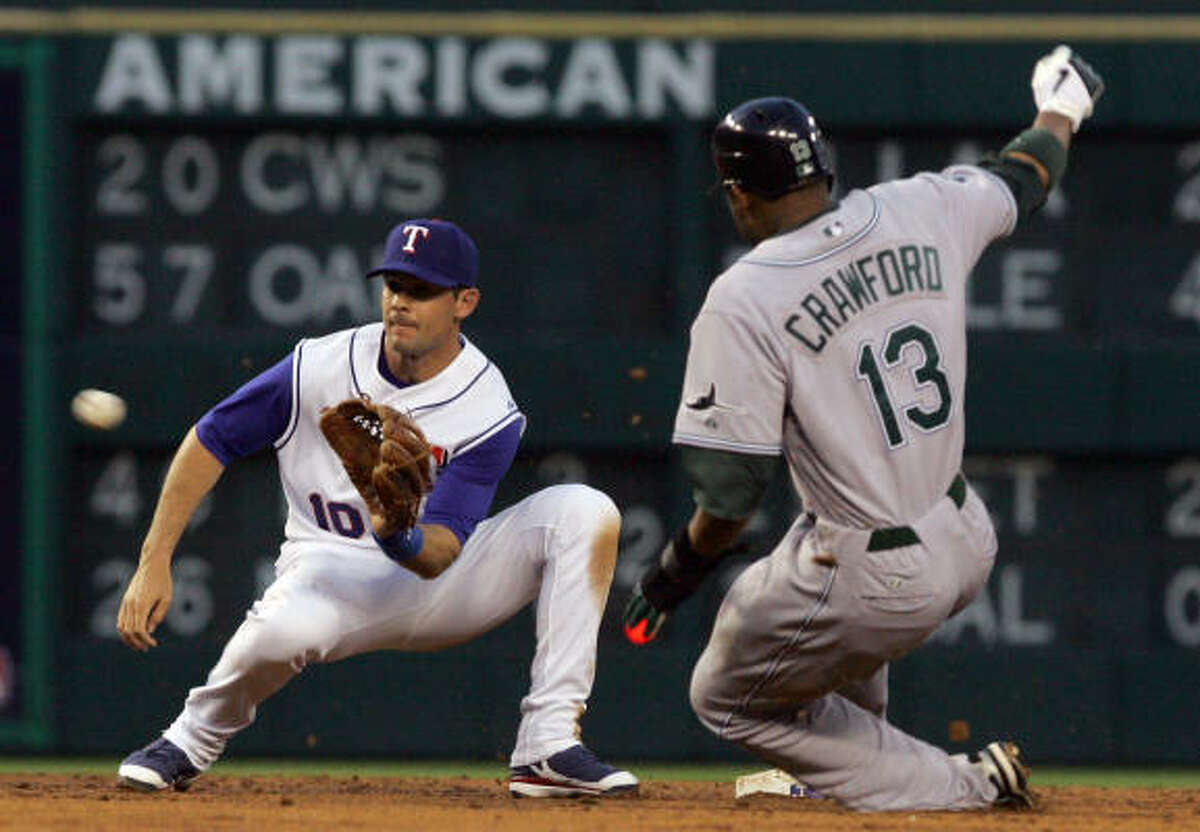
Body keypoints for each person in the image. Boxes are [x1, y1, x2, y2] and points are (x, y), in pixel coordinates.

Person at [621, 46, 1103, 811]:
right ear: (823, 170)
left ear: (741, 198)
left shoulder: (745, 296)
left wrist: (674, 573)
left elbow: (733, 495)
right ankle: (838, 779)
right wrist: (1062, 107)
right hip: (964, 532)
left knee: (724, 693)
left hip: (876, 573)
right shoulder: (922, 206)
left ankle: (968, 786)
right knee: (808, 570)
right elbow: (1025, 175)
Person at [115, 218, 638, 799]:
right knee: (275, 638)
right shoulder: (320, 365)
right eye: (393, 284)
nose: (400, 302)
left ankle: (547, 746)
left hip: (438, 579)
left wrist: (397, 535)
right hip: (328, 570)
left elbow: (441, 552)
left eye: (421, 290)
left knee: (584, 511)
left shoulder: (488, 406)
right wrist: (154, 559)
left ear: (465, 301)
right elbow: (211, 439)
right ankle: (190, 740)